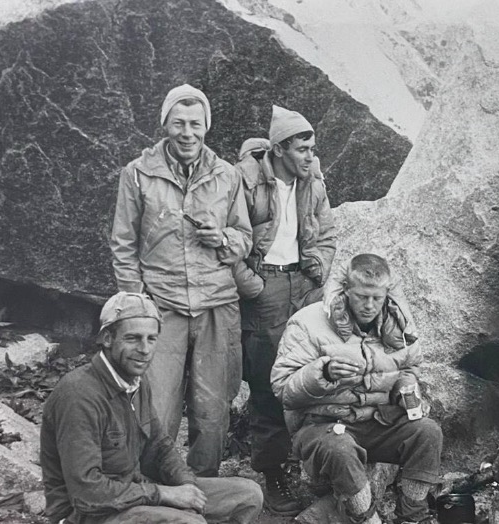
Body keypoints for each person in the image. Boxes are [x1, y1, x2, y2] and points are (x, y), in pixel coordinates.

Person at [110, 84, 252, 476]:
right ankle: (157, 487)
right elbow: (123, 243)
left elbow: (245, 237)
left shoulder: (227, 175)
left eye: (195, 123)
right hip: (162, 306)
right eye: (178, 123)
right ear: (165, 126)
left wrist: (222, 237)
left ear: (206, 127)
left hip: (217, 305)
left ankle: (202, 489)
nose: (187, 132)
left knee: (212, 410)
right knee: (156, 406)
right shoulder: (137, 174)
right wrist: (137, 306)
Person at [40, 292, 263, 524]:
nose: (145, 349)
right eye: (133, 338)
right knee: (189, 523)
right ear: (107, 338)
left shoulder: (135, 380)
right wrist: (165, 494)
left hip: (136, 492)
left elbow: (159, 446)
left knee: (247, 495)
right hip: (90, 514)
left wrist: (186, 485)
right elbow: (87, 494)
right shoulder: (79, 395)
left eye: (152, 338)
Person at [271, 254, 442, 524]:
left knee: (427, 432)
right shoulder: (307, 322)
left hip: (376, 422)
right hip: (321, 426)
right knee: (340, 449)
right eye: (362, 296)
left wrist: (405, 389)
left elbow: (409, 368)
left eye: (377, 298)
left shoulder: (399, 324)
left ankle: (411, 518)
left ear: (387, 294)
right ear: (346, 290)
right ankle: (367, 519)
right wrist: (323, 372)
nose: (369, 306)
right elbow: (282, 388)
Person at [233, 105, 336, 514]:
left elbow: (326, 234)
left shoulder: (313, 180)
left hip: (304, 284)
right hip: (267, 287)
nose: (311, 156)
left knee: (315, 370)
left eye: (313, 148)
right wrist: (253, 286)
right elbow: (230, 241)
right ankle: (274, 474)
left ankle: (315, 464)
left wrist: (320, 267)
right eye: (303, 149)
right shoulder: (247, 181)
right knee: (268, 383)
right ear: (278, 149)